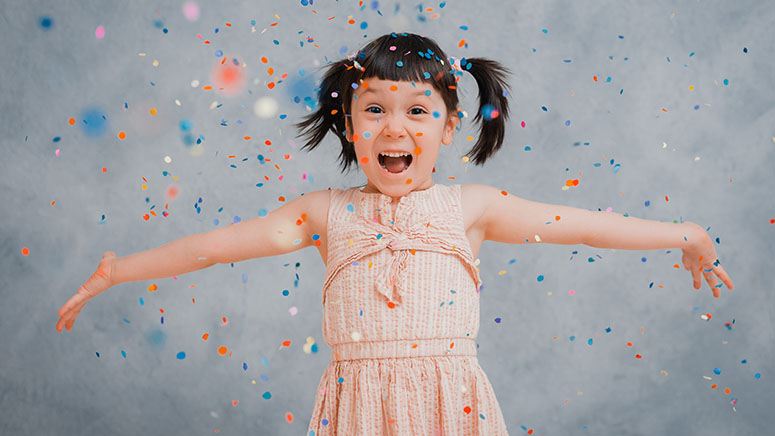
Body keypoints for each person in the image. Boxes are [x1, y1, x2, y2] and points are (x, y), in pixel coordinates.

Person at [56, 32, 734, 435]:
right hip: (359, 410)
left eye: (417, 110)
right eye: (372, 108)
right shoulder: (325, 214)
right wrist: (119, 270)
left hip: (450, 403)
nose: (393, 126)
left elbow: (583, 228)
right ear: (348, 125)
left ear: (446, 127)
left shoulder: (470, 207)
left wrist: (684, 234)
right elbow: (213, 248)